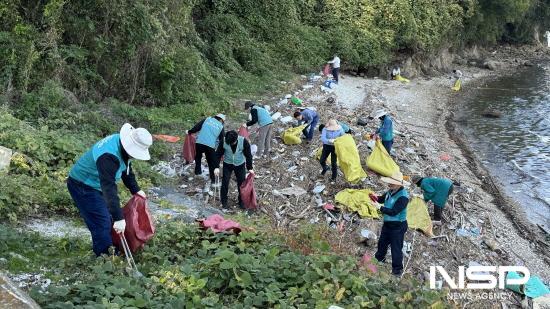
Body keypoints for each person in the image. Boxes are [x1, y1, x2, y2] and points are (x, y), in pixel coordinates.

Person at [67, 123, 152, 256]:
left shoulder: (122, 144)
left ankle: (111, 247)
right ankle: (104, 258)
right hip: (83, 185)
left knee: (109, 219)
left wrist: (135, 189)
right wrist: (119, 218)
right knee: (102, 222)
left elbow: (126, 168)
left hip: (96, 185)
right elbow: (109, 188)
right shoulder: (108, 157)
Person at [369, 172, 410, 276]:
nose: (390, 185)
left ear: (399, 184)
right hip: (387, 224)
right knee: (382, 243)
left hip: (398, 226)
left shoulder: (403, 197)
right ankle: (378, 261)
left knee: (396, 248)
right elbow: (382, 199)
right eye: (390, 183)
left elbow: (394, 212)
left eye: (392, 183)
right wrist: (375, 198)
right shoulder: (390, 191)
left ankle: (397, 271)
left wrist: (380, 207)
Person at [214, 131, 254, 210]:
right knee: (225, 181)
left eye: (232, 143)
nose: (230, 144)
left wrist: (250, 168)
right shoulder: (224, 141)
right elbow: (218, 154)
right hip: (227, 164)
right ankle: (224, 201)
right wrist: (216, 167)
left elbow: (248, 155)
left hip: (240, 164)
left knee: (241, 183)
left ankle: (241, 201)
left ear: (236, 139)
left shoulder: (243, 142)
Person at [188, 114, 225, 190]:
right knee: (211, 162)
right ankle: (213, 181)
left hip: (199, 142)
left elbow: (197, 127)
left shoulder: (207, 119)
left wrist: (190, 132)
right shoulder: (221, 126)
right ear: (221, 120)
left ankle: (198, 173)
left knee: (198, 157)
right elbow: (222, 139)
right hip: (210, 145)